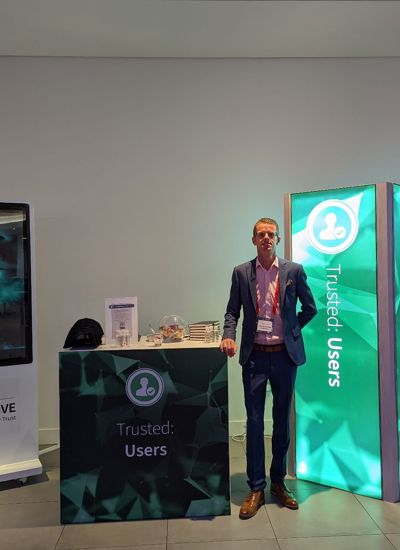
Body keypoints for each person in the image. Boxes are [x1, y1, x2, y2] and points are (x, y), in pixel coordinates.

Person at [220, 217, 316, 518]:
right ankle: (256, 487)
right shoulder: (241, 273)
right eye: (261, 235)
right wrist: (228, 335)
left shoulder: (293, 271)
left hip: (285, 357)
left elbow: (310, 308)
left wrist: (292, 331)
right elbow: (232, 312)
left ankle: (277, 482)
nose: (266, 239)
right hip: (255, 357)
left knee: (282, 421)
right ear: (253, 240)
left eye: (271, 234)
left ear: (278, 239)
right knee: (254, 421)